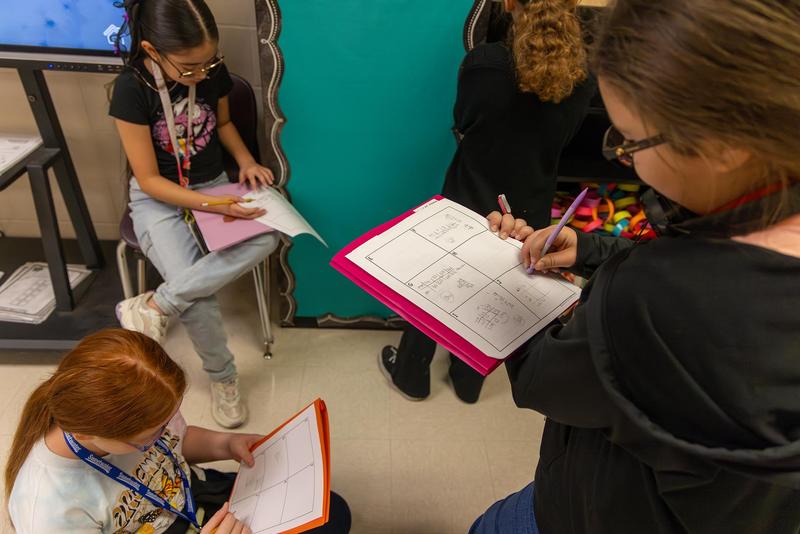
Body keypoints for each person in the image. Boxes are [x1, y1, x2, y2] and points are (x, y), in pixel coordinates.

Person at [471, 0, 800, 532]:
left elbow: (541, 381)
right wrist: (597, 250)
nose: (624, 157)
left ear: (721, 146)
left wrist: (503, 280)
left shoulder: (656, 298)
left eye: (630, 140)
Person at [379, 0, 595, 403]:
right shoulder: (584, 77)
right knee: (495, 292)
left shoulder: (485, 63)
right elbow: (566, 139)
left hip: (468, 195)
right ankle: (467, 382)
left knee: (436, 285)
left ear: (509, 3)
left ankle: (411, 375)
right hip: (531, 203)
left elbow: (464, 120)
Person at [109, 0, 279, 428]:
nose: (202, 74)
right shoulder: (130, 90)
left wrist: (244, 161)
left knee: (269, 237)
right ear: (151, 50)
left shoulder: (210, 70)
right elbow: (148, 180)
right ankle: (224, 378)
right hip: (158, 198)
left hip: (211, 183)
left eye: (209, 62)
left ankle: (156, 303)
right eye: (189, 68)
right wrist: (218, 206)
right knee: (198, 295)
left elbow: (222, 125)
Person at [5, 329, 351, 534]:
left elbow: (179, 441)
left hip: (193, 494)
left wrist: (227, 443)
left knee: (332, 513)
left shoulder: (144, 410)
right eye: (150, 435)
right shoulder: (47, 510)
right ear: (85, 433)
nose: (165, 430)